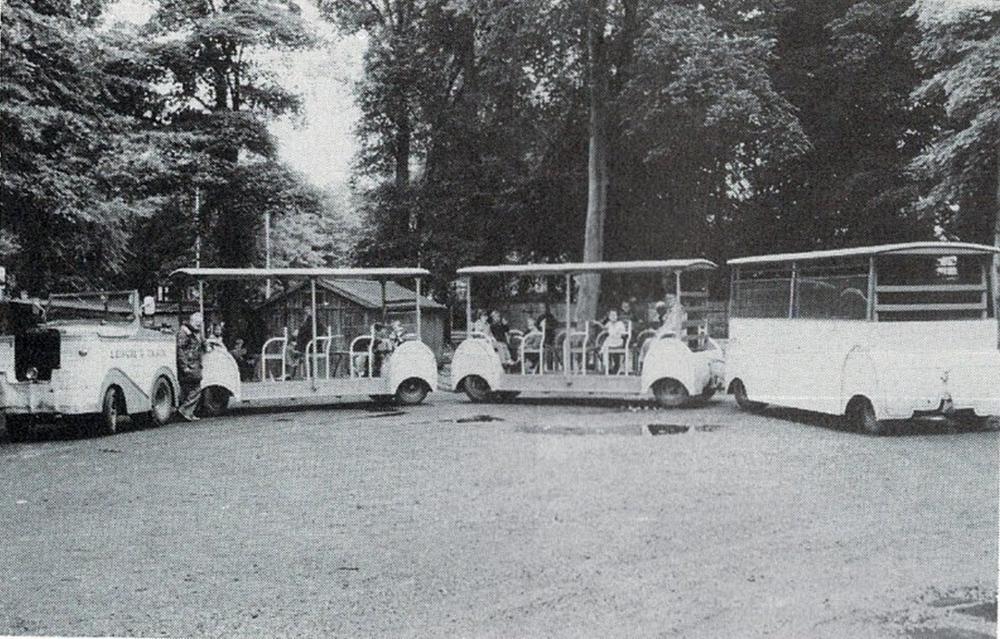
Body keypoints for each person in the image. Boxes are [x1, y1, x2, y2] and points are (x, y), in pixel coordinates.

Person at [176, 311, 206, 422]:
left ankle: (188, 412)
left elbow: (202, 342)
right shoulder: (185, 333)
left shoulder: (193, 331)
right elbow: (180, 350)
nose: (199, 325)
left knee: (188, 389)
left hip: (193, 363)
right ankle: (185, 410)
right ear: (191, 321)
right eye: (197, 323)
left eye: (200, 324)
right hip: (190, 364)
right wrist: (184, 366)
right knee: (196, 388)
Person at [601, 309, 628, 373]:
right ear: (609, 317)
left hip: (618, 341)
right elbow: (604, 330)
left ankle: (615, 366)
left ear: (617, 316)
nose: (613, 317)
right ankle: (607, 366)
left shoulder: (620, 323)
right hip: (610, 341)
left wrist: (619, 333)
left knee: (608, 346)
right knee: (604, 347)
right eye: (611, 315)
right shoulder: (608, 324)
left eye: (614, 315)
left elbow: (624, 334)